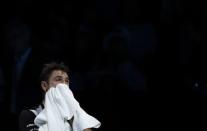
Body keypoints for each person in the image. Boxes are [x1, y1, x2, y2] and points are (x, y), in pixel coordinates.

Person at [19, 62, 101, 131]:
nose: (64, 85)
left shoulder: (74, 115)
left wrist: (75, 115)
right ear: (44, 85)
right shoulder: (30, 115)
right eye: (58, 79)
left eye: (66, 81)